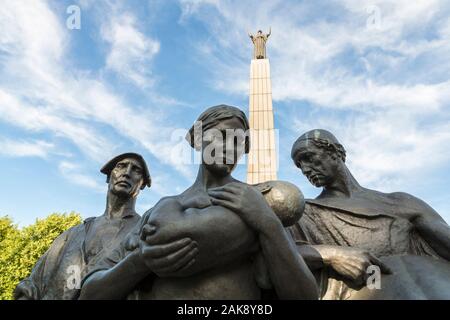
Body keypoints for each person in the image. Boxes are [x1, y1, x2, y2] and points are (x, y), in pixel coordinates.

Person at [79, 105, 318, 300]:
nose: (230, 147)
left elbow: (305, 296)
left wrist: (268, 224)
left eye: (239, 142)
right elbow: (89, 292)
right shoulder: (161, 210)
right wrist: (140, 262)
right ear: (198, 140)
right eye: (220, 136)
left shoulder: (256, 203)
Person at [289, 129, 450, 299]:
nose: (305, 169)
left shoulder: (401, 202)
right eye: (299, 165)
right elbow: (279, 253)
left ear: (334, 152)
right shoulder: (305, 212)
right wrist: (331, 255)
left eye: (308, 157)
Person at [14, 153, 154, 299]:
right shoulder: (71, 234)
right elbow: (33, 285)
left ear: (142, 184)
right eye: (121, 166)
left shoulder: (144, 232)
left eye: (136, 170)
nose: (126, 173)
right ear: (108, 177)